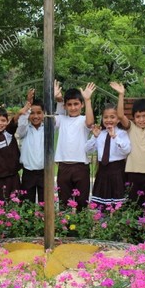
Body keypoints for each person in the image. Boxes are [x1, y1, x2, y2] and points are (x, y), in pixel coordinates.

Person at [110, 77, 145, 207]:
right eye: (138, 116)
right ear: (134, 117)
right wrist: (121, 95)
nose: (141, 119)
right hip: (132, 173)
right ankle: (133, 228)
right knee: (133, 206)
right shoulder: (131, 127)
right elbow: (120, 115)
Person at [54, 81, 96, 210]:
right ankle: (65, 229)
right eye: (69, 104)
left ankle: (81, 230)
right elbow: (52, 118)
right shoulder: (61, 119)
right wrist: (58, 99)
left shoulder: (84, 120)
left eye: (76, 104)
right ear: (65, 106)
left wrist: (88, 99)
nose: (73, 107)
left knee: (82, 203)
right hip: (63, 166)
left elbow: (90, 123)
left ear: (81, 105)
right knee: (63, 203)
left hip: (81, 167)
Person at [85, 104, 131, 207]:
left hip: (117, 170)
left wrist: (115, 137)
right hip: (103, 171)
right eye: (105, 117)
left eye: (112, 117)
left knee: (118, 204)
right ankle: (103, 222)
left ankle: (119, 221)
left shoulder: (122, 133)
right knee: (101, 204)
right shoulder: (100, 133)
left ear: (118, 120)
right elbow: (87, 150)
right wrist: (95, 136)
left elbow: (127, 150)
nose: (108, 120)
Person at [16, 89, 45, 203]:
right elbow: (21, 125)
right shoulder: (25, 129)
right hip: (28, 173)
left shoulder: (48, 129)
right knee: (27, 203)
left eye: (39, 113)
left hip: (44, 173)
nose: (35, 116)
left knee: (45, 203)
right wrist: (27, 107)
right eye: (32, 113)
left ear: (43, 113)